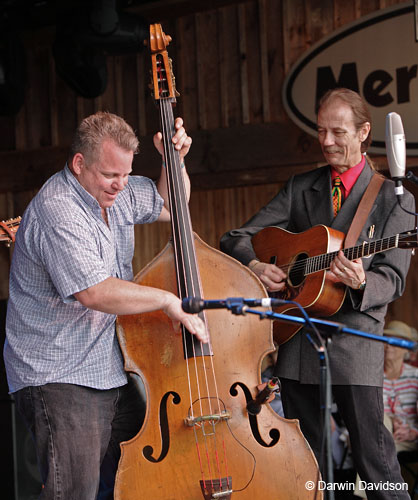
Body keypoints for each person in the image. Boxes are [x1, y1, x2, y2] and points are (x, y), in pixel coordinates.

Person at [220, 88, 415, 498]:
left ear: (364, 132)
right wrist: (257, 265)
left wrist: (362, 281)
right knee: (309, 461)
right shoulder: (300, 187)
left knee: (373, 459)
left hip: (354, 345)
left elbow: (393, 278)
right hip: (298, 340)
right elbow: (237, 236)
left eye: (337, 132)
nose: (326, 142)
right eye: (321, 131)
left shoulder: (395, 199)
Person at [3, 111, 207, 500]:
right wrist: (167, 300)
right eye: (111, 175)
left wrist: (173, 160)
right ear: (79, 164)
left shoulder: (117, 190)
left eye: (127, 174)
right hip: (58, 374)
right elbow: (93, 291)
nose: (120, 185)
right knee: (73, 493)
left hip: (108, 368)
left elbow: (171, 205)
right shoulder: (58, 208)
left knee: (139, 479)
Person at [383, 320, 418, 452]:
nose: (388, 345)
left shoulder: (415, 376)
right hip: (379, 436)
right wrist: (391, 421)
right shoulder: (373, 377)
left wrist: (413, 433)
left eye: (395, 342)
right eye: (385, 340)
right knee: (374, 449)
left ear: (407, 348)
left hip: (410, 438)